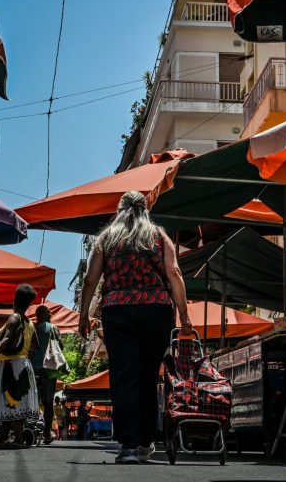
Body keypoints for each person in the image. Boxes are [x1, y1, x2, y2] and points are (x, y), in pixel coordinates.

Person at [79, 190, 192, 464]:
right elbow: (174, 273)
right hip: (157, 309)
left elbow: (91, 280)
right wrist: (185, 316)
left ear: (120, 210)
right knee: (148, 374)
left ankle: (128, 446)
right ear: (145, 210)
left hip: (117, 310)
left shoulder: (106, 238)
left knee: (124, 374)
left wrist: (83, 315)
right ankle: (145, 442)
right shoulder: (158, 236)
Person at [0, 283, 40, 449]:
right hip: (23, 362)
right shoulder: (29, 323)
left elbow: (6, 339)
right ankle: (4, 438)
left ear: (14, 300)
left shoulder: (14, 317)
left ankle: (18, 439)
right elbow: (35, 346)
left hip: (10, 363)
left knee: (12, 400)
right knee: (13, 400)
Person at [28, 304, 59, 444]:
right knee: (48, 403)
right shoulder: (52, 328)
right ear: (47, 315)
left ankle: (29, 429)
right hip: (48, 370)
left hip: (32, 369)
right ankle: (47, 432)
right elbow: (60, 347)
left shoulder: (31, 328)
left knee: (31, 401)